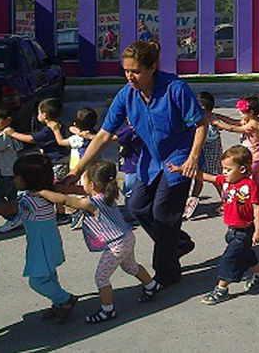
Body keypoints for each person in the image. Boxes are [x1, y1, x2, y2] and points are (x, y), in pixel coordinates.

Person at [68, 40, 208, 291]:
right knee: (138, 207)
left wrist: (193, 158)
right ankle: (177, 242)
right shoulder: (127, 94)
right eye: (126, 71)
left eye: (135, 71)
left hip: (179, 158)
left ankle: (166, 273)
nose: (130, 76)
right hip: (150, 159)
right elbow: (103, 135)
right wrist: (76, 170)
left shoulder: (175, 88)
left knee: (164, 214)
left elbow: (200, 124)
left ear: (152, 68)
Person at [39, 160, 156, 323]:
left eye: (84, 182)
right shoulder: (106, 194)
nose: (82, 186)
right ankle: (151, 286)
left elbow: (67, 201)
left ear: (93, 185)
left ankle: (108, 311)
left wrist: (43, 192)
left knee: (101, 278)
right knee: (130, 266)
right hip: (127, 237)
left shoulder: (91, 202)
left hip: (116, 245)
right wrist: (63, 188)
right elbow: (80, 191)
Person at [0, 154, 77, 323]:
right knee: (49, 276)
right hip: (49, 242)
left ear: (28, 180)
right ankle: (59, 303)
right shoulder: (43, 194)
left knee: (37, 282)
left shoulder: (31, 200)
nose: (14, 179)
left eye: (17, 177)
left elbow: (6, 208)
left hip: (40, 246)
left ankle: (65, 299)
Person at [174, 146, 259, 304]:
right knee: (245, 254)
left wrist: (258, 231)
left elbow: (257, 209)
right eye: (223, 168)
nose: (224, 172)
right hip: (232, 230)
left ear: (242, 169)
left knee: (228, 259)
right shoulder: (225, 181)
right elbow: (206, 177)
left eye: (228, 169)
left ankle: (221, 289)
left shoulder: (251, 186)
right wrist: (184, 171)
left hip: (244, 231)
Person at [5, 98, 71, 222]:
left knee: (56, 187)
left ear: (44, 115)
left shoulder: (48, 130)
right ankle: (60, 212)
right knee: (56, 186)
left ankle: (61, 214)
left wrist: (12, 133)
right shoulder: (57, 125)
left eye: (39, 112)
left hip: (57, 161)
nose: (37, 115)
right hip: (60, 159)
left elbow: (31, 139)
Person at [184, 91, 223, 219]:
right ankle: (192, 199)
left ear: (203, 109)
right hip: (200, 154)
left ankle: (227, 200)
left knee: (216, 179)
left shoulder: (213, 120)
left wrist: (242, 126)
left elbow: (229, 125)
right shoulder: (196, 119)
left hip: (212, 155)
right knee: (198, 178)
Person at [213, 95, 259, 185]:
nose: (240, 114)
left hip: (255, 156)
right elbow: (232, 122)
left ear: (251, 112)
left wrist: (217, 123)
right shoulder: (246, 120)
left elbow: (232, 128)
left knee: (246, 176)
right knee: (255, 178)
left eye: (242, 112)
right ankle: (258, 190)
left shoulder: (252, 124)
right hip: (252, 155)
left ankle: (249, 191)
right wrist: (219, 116)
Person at [0, 108, 22, 231]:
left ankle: (14, 218)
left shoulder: (5, 135)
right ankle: (19, 217)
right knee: (13, 198)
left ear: (8, 120)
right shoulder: (2, 134)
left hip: (7, 174)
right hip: (10, 172)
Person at [116, 121, 142, 222]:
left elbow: (119, 138)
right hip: (142, 163)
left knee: (129, 191)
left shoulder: (131, 129)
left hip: (133, 165)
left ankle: (131, 214)